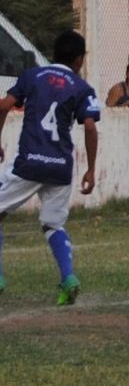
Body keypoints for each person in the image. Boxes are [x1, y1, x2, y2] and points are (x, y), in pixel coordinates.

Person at [0, 30, 100, 304]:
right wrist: (91, 169)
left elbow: (4, 105)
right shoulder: (81, 87)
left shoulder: (32, 76)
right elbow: (90, 128)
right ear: (79, 59)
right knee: (53, 224)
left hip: (29, 163)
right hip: (60, 168)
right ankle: (68, 278)